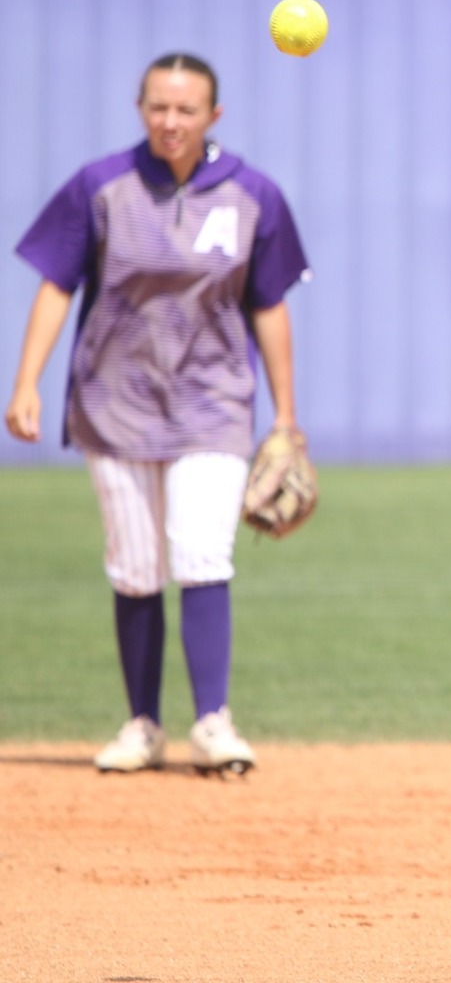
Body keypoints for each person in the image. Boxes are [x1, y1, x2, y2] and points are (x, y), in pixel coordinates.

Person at [5, 52, 312, 777]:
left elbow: (268, 305)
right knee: (136, 566)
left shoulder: (250, 194)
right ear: (141, 108)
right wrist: (26, 381)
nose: (170, 121)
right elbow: (57, 284)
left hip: (212, 402)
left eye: (186, 109)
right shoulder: (102, 186)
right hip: (115, 402)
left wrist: (286, 417)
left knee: (203, 551)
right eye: (158, 107)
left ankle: (212, 722)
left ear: (214, 116)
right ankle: (143, 725)